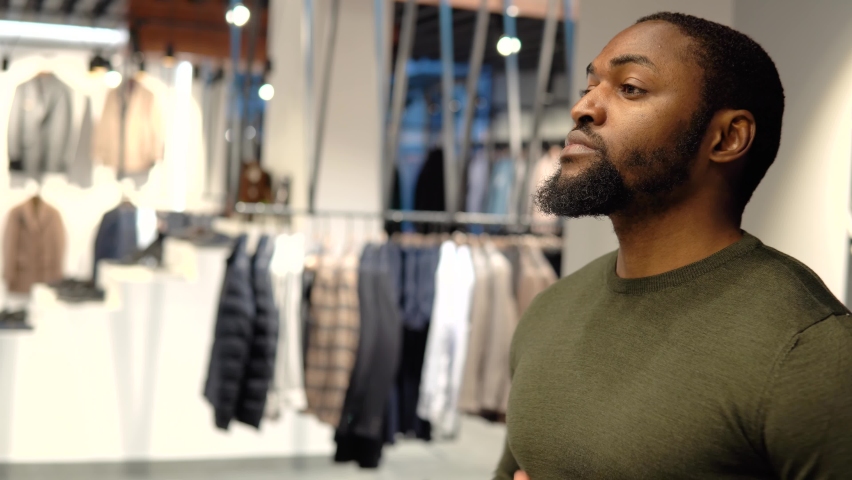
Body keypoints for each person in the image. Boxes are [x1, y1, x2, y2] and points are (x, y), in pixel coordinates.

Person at [496, 12, 852, 480]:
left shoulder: (811, 350)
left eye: (630, 88)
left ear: (727, 137)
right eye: (590, 86)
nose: (583, 108)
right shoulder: (550, 310)